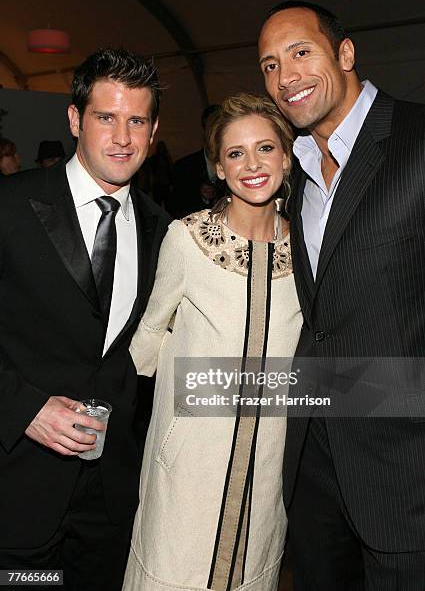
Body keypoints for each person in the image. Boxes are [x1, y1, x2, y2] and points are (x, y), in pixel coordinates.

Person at [258, 0, 425, 589]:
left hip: (405, 469)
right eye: (271, 66)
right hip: (315, 464)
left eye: (301, 53)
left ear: (345, 52)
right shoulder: (296, 169)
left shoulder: (415, 138)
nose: (286, 77)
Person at [0, 48, 170, 590]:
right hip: (18, 485)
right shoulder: (9, 205)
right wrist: (24, 407)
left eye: (136, 120)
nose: (122, 136)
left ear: (153, 129)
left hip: (111, 499)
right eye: (106, 117)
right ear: (75, 119)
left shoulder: (165, 232)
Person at [123, 92, 303, 591]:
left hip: (268, 467)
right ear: (218, 168)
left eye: (265, 149)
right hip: (188, 465)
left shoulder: (308, 248)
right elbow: (148, 340)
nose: (252, 165)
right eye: (236, 153)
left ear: (286, 159)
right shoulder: (186, 238)